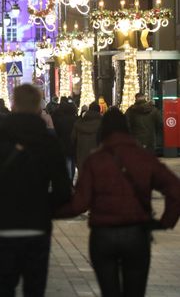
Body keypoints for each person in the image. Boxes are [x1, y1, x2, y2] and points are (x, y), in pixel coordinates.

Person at [56, 108, 180, 297]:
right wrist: (165, 222)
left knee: (109, 292)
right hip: (136, 234)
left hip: (103, 235)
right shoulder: (143, 157)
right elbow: (175, 190)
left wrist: (50, 211)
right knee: (135, 291)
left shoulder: (94, 160)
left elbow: (79, 205)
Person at [0, 84, 71, 297]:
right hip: (37, 227)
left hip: (4, 225)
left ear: (13, 104)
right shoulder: (49, 143)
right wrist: (45, 208)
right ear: (38, 106)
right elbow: (63, 190)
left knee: (3, 288)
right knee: (35, 289)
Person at [52, 96, 78, 180]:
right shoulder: (75, 119)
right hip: (73, 143)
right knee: (72, 161)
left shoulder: (61, 119)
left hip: (63, 142)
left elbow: (58, 132)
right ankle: (71, 178)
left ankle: (69, 180)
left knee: (67, 161)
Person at [71, 102, 102, 172]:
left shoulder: (79, 123)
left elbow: (73, 139)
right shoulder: (102, 124)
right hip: (97, 158)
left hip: (81, 157)